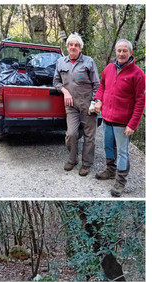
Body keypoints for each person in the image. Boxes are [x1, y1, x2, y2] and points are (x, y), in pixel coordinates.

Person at [94, 39, 145, 197]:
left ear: (130, 53)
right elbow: (102, 86)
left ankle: (120, 182)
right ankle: (110, 170)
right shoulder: (109, 68)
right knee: (108, 146)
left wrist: (133, 124)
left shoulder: (138, 74)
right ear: (115, 52)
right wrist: (99, 100)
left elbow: (140, 101)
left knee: (122, 152)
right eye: (119, 50)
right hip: (107, 117)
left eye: (125, 51)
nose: (121, 53)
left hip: (124, 123)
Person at [53, 33, 100, 176]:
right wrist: (65, 92)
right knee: (71, 134)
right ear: (67, 47)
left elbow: (97, 84)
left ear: (80, 48)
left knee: (89, 136)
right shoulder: (61, 62)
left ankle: (86, 164)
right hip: (71, 105)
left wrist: (95, 101)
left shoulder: (89, 62)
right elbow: (56, 82)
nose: (73, 47)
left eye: (76, 45)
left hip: (87, 104)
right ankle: (72, 159)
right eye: (71, 44)